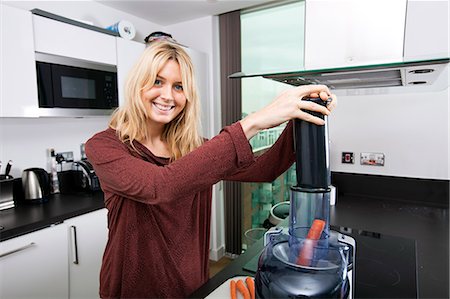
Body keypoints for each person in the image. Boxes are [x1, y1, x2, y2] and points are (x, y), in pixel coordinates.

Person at [85, 40, 337, 298]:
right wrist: (252, 123)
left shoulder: (195, 149)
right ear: (138, 85)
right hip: (132, 289)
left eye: (179, 86)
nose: (168, 95)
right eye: (157, 82)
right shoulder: (105, 146)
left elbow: (265, 170)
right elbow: (158, 186)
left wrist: (301, 116)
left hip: (190, 284)